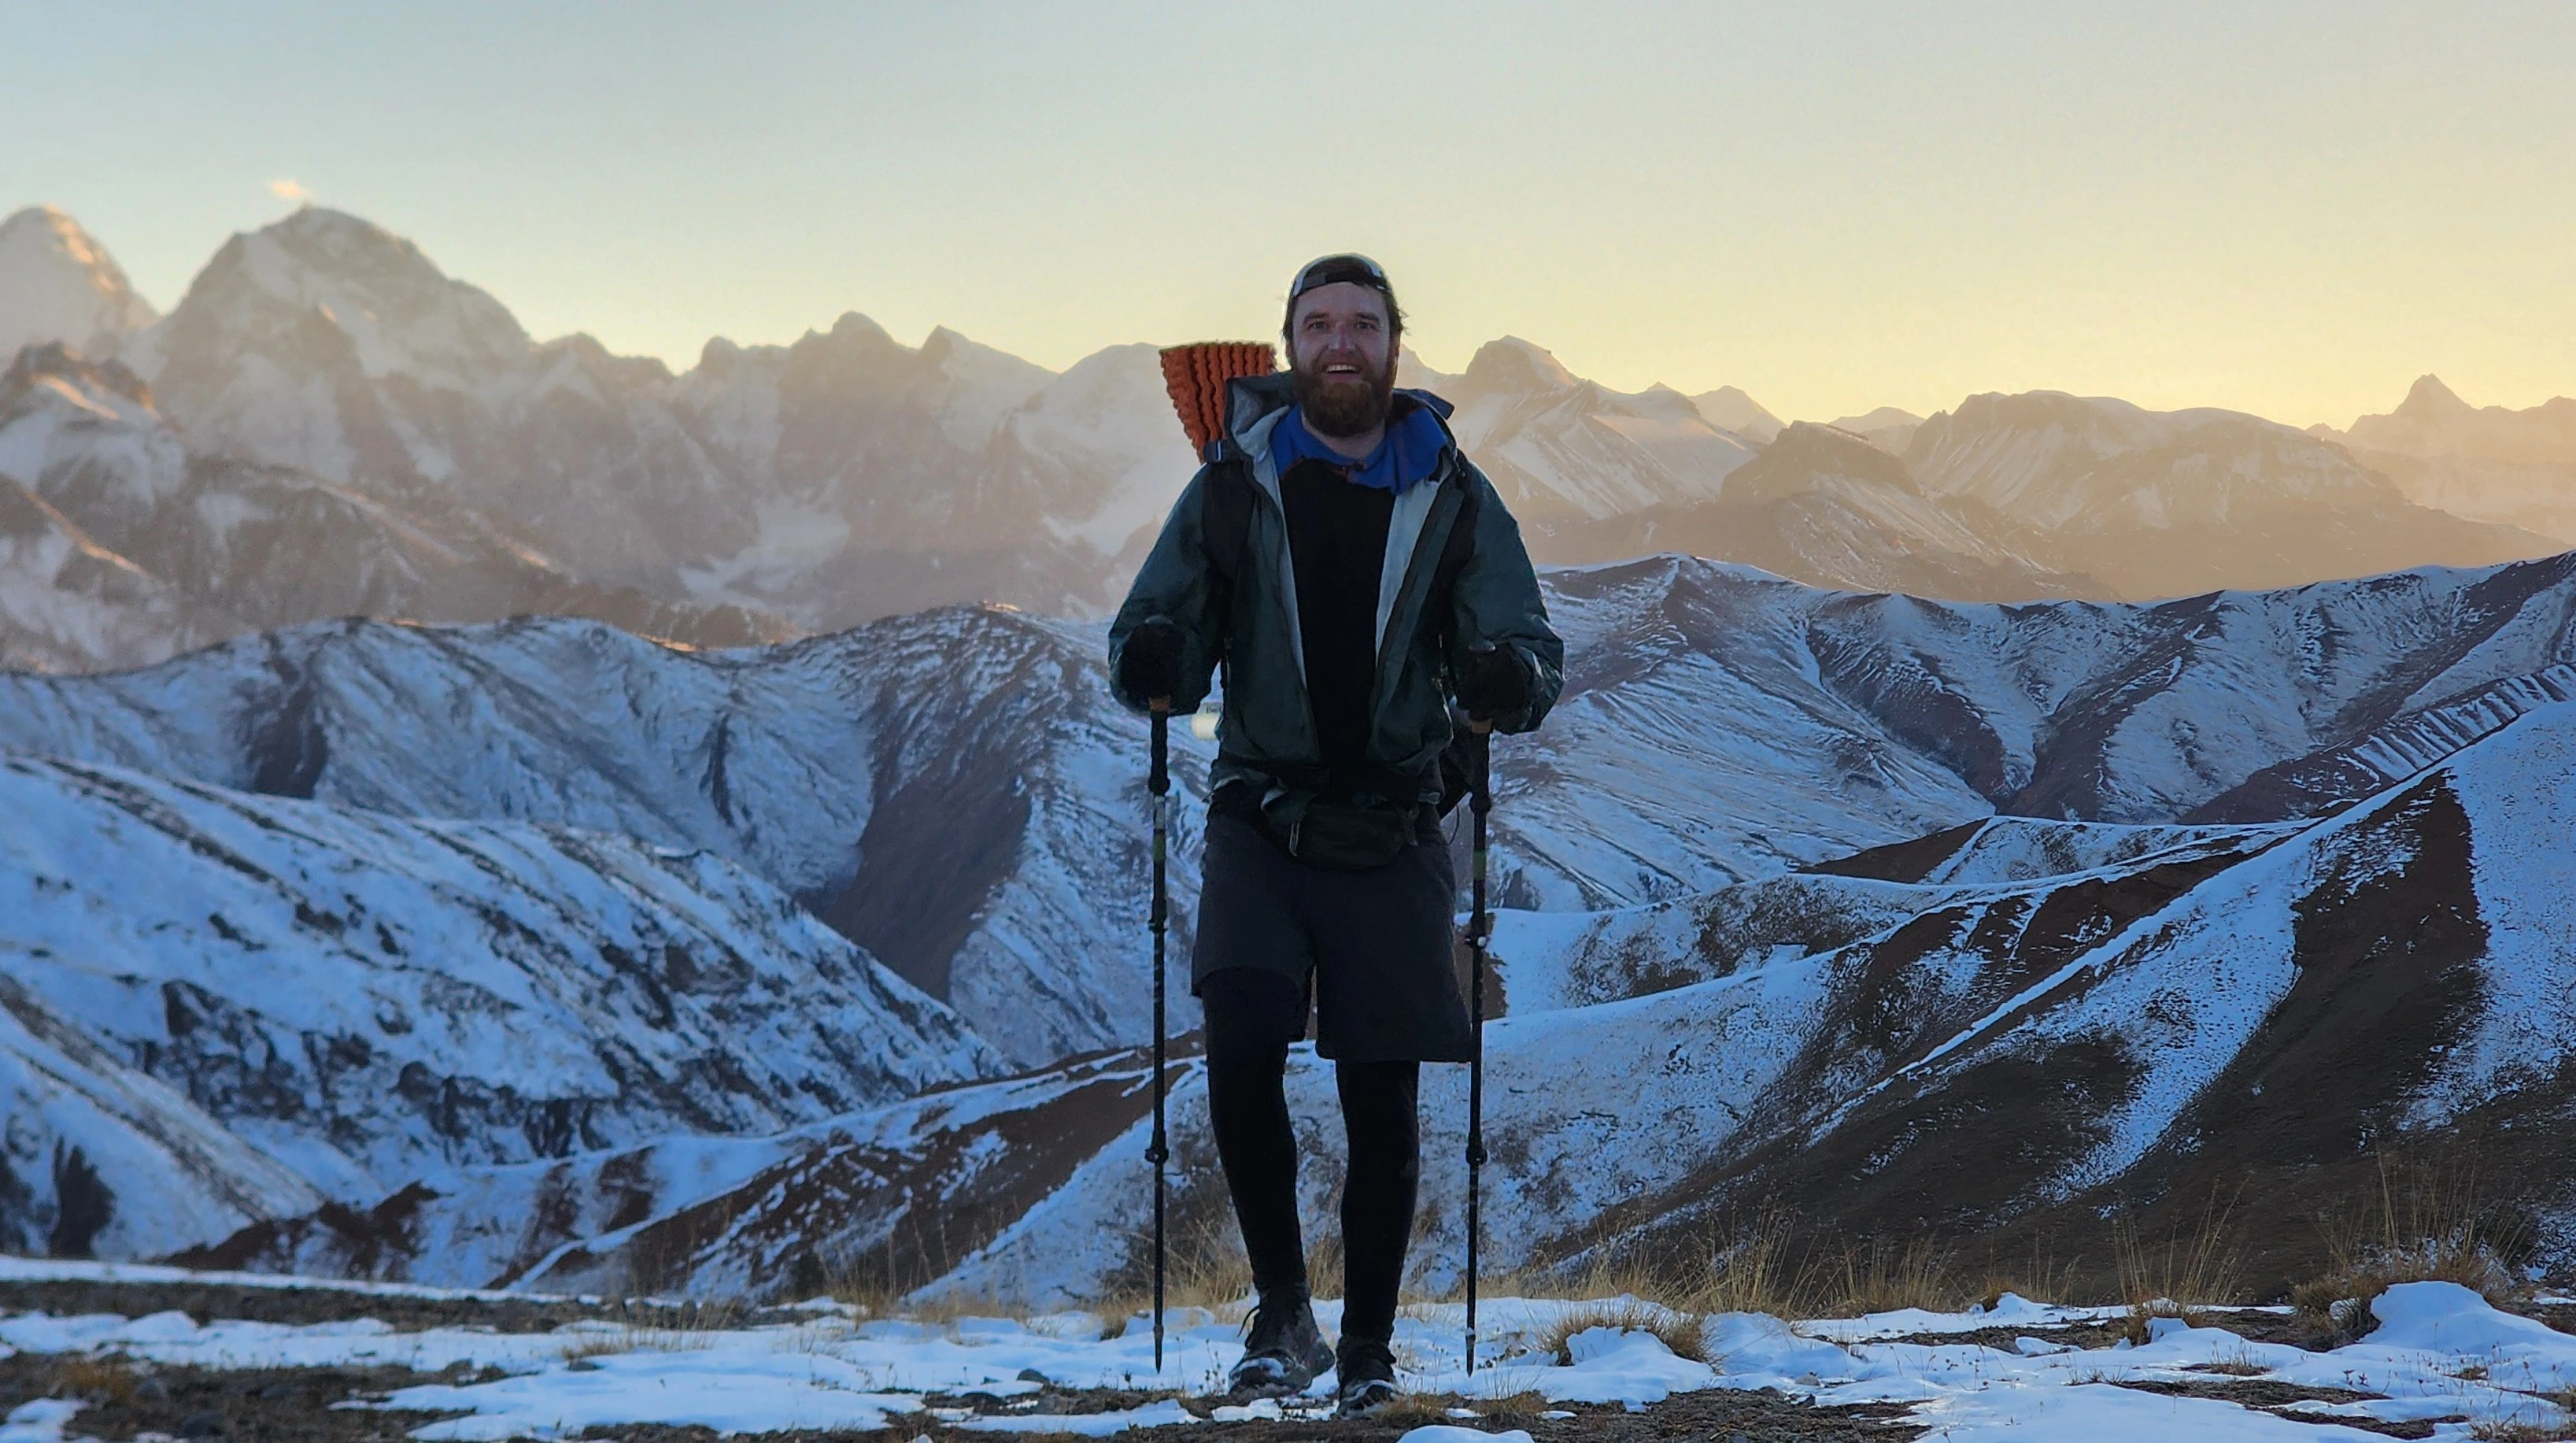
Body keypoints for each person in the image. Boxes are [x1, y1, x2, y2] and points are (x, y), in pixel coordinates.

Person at [1107, 254, 1563, 1415]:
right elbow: (1158, 624)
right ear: (1291, 347)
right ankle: (1282, 1312)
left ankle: (1365, 1348)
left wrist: (1512, 674)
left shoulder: (1456, 494)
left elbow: (1523, 635)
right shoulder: (1229, 485)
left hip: (1395, 823)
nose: (1341, 344)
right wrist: (1151, 656)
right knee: (1242, 1047)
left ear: (1393, 346)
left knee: (1383, 1097)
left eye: (1361, 324)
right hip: (1261, 815)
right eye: (1320, 326)